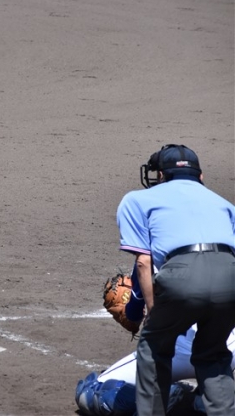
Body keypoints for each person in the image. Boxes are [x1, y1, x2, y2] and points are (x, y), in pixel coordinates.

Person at [115, 144, 235, 415]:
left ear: (160, 175)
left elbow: (143, 262)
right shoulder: (224, 204)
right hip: (230, 275)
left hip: (182, 275)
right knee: (214, 354)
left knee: (154, 347)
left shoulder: (136, 200)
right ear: (200, 176)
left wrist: (152, 310)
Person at [75, 325, 235, 415]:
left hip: (171, 352)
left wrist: (133, 307)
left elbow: (134, 316)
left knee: (88, 392)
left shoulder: (156, 271)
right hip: (225, 352)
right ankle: (204, 402)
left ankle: (167, 396)